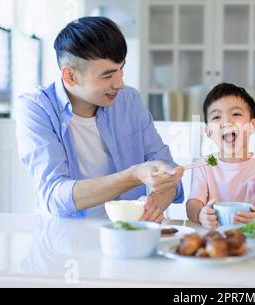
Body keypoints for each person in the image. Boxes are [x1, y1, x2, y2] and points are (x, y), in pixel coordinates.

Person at [16, 17, 184, 222]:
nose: (120, 83)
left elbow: (169, 172)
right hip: (65, 240)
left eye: (121, 68)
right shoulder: (36, 108)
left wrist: (152, 205)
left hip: (128, 234)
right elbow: (54, 195)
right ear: (70, 76)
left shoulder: (128, 100)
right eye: (107, 75)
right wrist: (132, 176)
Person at [187, 83, 255, 228]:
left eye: (236, 114)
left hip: (251, 235)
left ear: (253, 125)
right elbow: (193, 203)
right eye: (217, 117)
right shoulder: (205, 164)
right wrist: (200, 214)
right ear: (208, 131)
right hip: (213, 237)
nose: (226, 122)